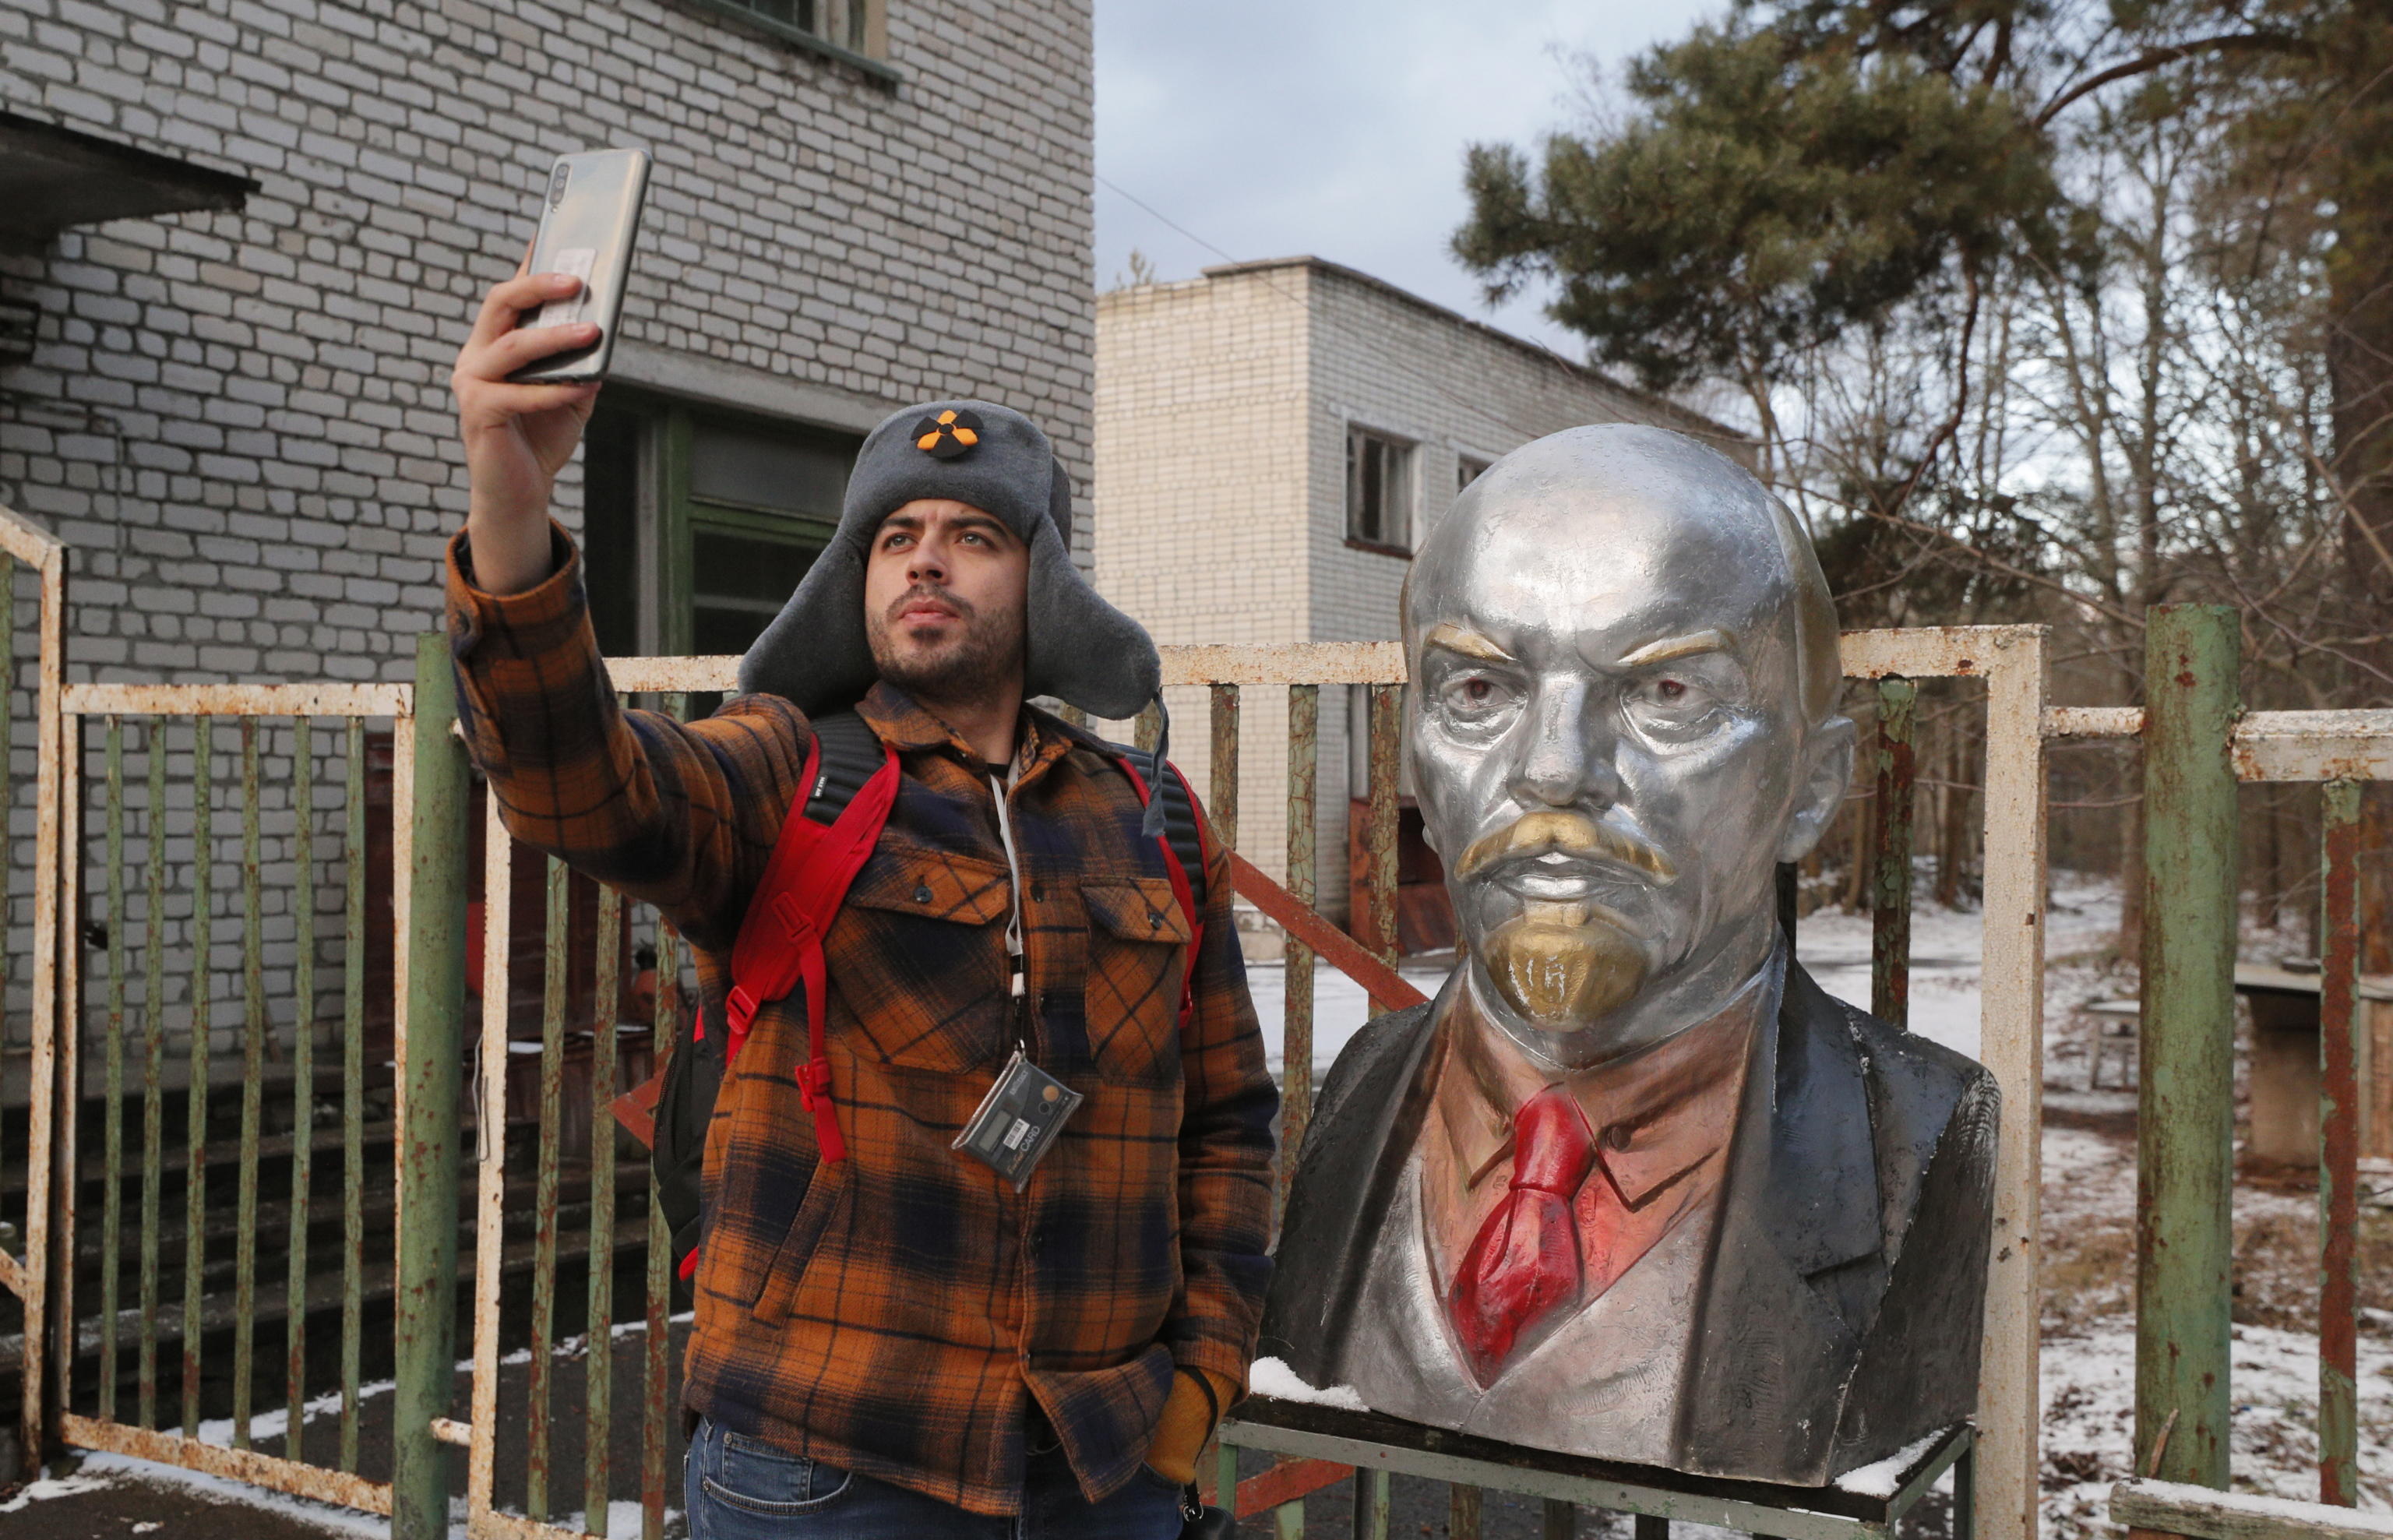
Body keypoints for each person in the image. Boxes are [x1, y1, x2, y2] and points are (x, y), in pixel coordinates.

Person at [448, 263, 1277, 1535]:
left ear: (1041, 581)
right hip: (823, 1462)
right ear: (859, 578)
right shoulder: (793, 767)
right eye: (897, 538)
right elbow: (582, 789)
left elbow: (1227, 1121)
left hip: (1101, 1465)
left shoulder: (1152, 816)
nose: (926, 562)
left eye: (972, 536)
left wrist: (1203, 1379)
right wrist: (512, 507)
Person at [1258, 425, 1997, 1486]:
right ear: (1417, 744)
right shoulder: (1362, 1092)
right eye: (1479, 689)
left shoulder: (1913, 1138)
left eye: (1666, 693)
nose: (1555, 770)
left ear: (1814, 785)